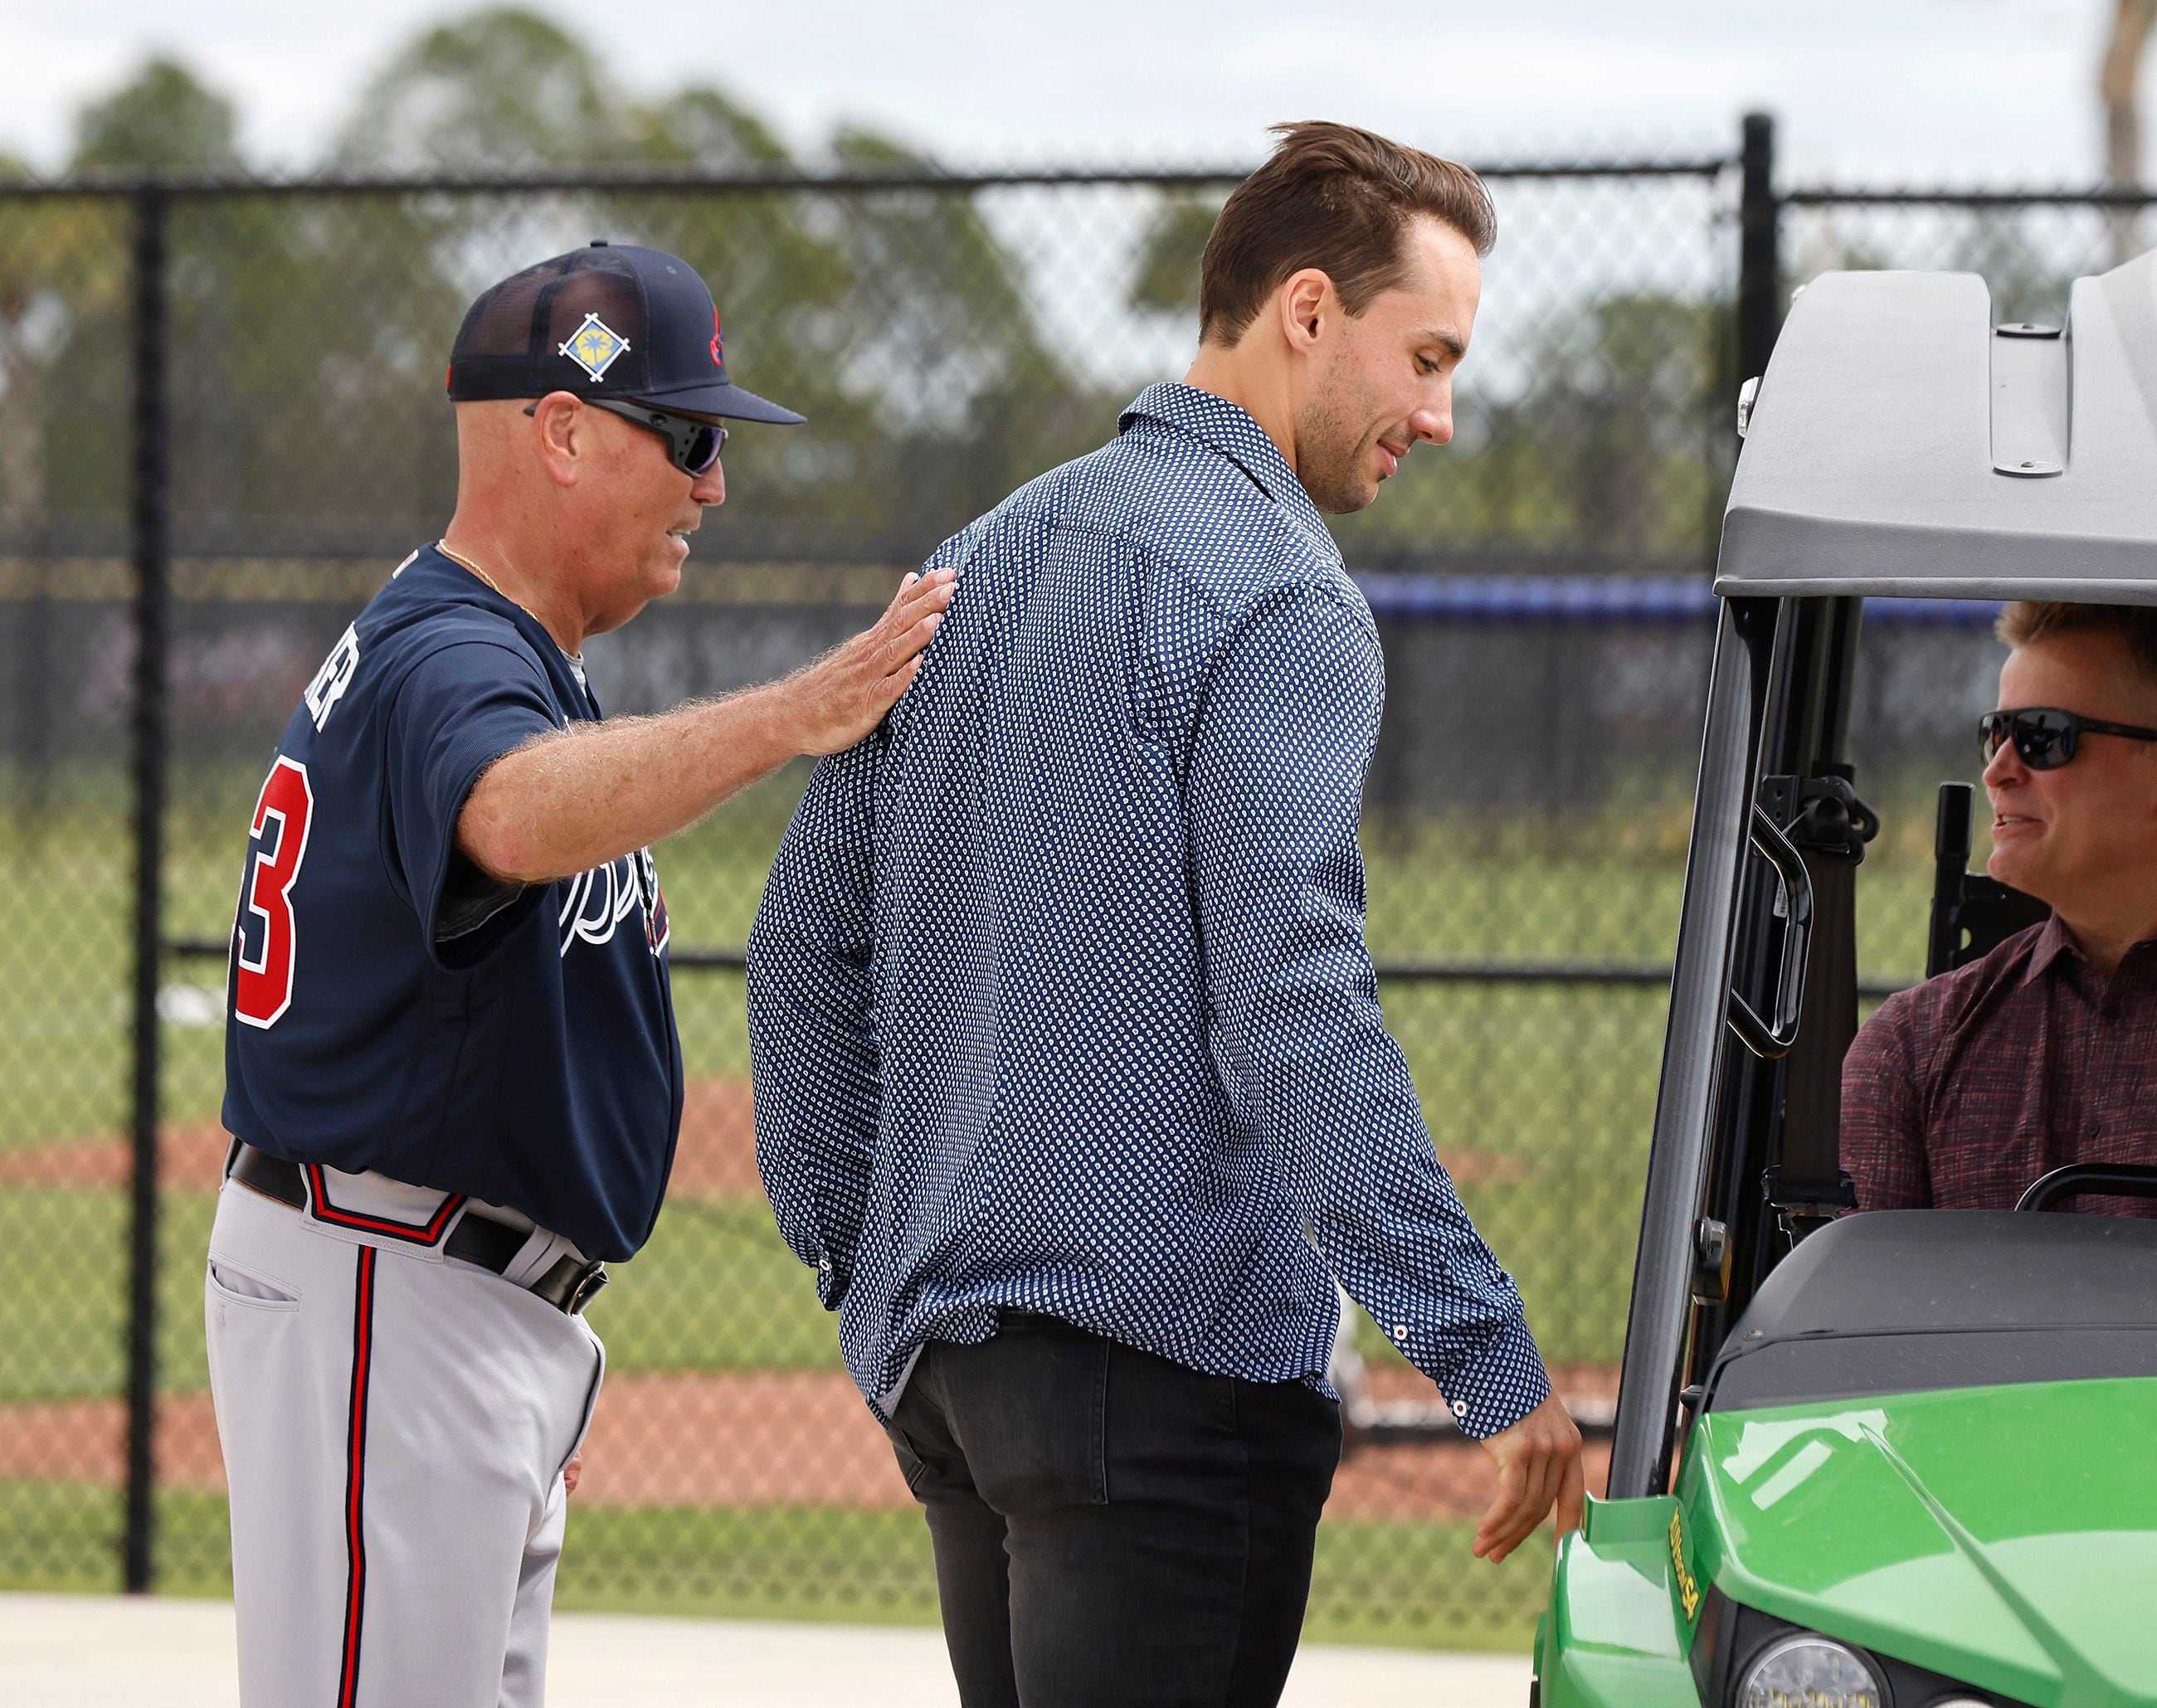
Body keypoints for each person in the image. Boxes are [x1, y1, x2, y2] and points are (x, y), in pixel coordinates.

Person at [747, 124, 1583, 1708]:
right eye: (1427, 357)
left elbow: (799, 954)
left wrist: (869, 1270)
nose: (1440, 415)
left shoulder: (975, 556)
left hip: (959, 1376)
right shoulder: (1283, 595)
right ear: (1308, 310)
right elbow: (1292, 1010)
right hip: (1166, 1387)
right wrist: (1482, 1349)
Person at [204, 241, 954, 1708]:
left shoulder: (496, 647)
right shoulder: (451, 653)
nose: (713, 484)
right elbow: (509, 809)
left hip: (444, 1295)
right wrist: (792, 713)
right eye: (688, 436)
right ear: (561, 430)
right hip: (394, 1284)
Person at [1843, 600, 2157, 1215]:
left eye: (2042, 736)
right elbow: (1870, 1281)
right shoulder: (1912, 1050)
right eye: (1995, 734)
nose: (1997, 771)